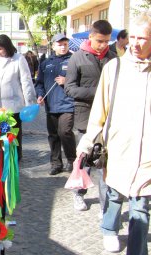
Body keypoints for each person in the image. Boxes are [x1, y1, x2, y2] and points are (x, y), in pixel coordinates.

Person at [76, 11, 151, 255]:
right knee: (115, 194)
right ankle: (109, 228)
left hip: (147, 157)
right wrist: (85, 145)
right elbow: (99, 111)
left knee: (141, 210)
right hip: (118, 149)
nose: (135, 43)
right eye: (133, 37)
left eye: (143, 38)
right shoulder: (114, 69)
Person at [65, 20, 116, 212]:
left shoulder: (113, 58)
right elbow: (69, 89)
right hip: (85, 117)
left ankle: (107, 205)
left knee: (105, 163)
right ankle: (79, 194)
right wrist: (98, 92)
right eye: (100, 41)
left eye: (107, 41)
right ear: (91, 37)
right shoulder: (77, 58)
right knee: (84, 159)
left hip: (110, 119)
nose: (104, 45)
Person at [0, 34, 36, 161]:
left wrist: (29, 103)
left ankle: (16, 156)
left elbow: (26, 81)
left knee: (13, 133)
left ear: (7, 47)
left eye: (0, 49)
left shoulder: (18, 59)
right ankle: (0, 155)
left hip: (13, 105)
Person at [35, 33, 76, 175]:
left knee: (64, 131)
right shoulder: (45, 63)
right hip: (51, 105)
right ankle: (56, 163)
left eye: (65, 44)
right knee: (53, 135)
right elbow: (39, 83)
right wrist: (40, 95)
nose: (63, 47)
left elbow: (79, 81)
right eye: (59, 44)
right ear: (53, 46)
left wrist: (67, 82)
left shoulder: (74, 60)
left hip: (67, 104)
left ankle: (72, 160)